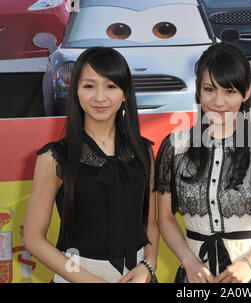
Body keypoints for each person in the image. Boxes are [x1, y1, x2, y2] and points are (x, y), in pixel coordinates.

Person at [154, 42, 251, 283]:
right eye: (210, 89)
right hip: (196, 277)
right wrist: (189, 262)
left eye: (230, 91)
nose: (219, 102)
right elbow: (165, 217)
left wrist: (250, 263)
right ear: (198, 90)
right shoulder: (175, 146)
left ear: (247, 92)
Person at [24, 47, 159, 283]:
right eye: (89, 86)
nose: (99, 97)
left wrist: (148, 265)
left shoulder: (143, 151)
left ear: (125, 93)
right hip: (76, 276)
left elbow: (150, 223)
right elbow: (34, 239)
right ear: (75, 90)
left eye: (111, 86)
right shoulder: (53, 158)